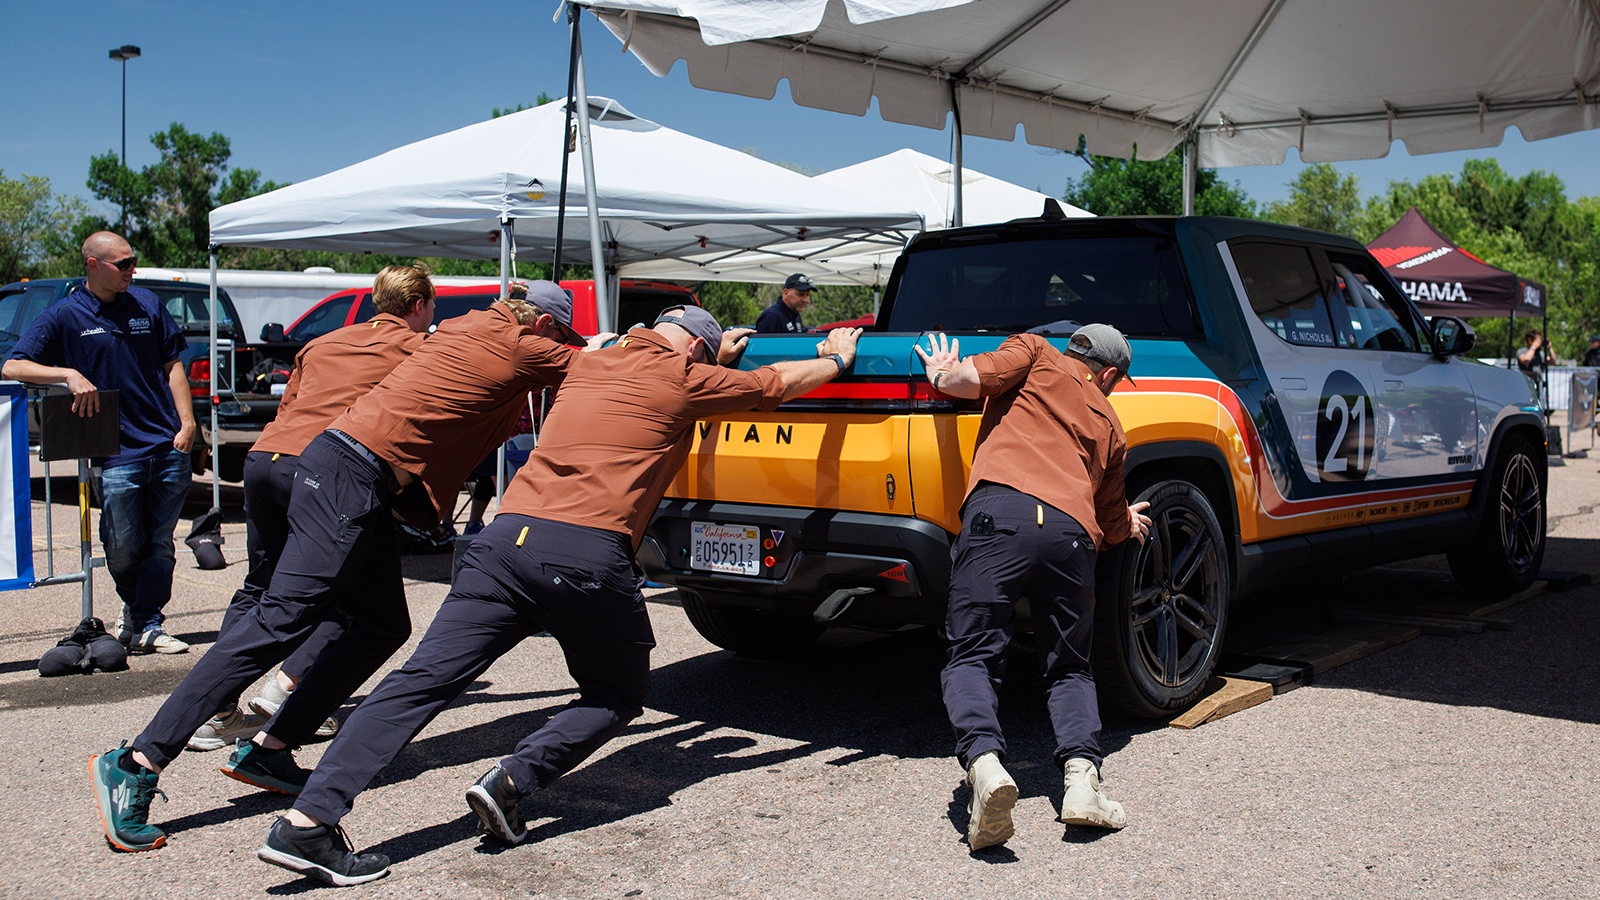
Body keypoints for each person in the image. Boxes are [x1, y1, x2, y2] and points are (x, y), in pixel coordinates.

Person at [253, 309, 863, 887]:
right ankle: (513, 779)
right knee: (617, 692)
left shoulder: (589, 362)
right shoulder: (684, 378)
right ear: (698, 350)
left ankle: (306, 823)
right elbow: (773, 383)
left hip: (504, 540)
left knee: (420, 682)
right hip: (584, 554)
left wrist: (705, 355)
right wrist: (835, 359)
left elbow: (652, 364)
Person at [89, 281, 598, 854]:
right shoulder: (514, 342)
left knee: (381, 624)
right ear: (544, 327)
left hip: (339, 472)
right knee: (280, 619)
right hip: (346, 477)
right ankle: (137, 761)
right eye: (558, 336)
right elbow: (598, 367)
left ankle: (271, 749)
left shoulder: (459, 327)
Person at [914, 323, 1152, 852]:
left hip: (999, 517)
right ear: (1109, 375)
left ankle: (985, 765)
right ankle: (1082, 783)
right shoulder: (1111, 423)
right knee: (1070, 665)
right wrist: (1127, 523)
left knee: (973, 654)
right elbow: (1112, 517)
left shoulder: (1035, 350)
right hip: (1071, 535)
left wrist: (942, 373)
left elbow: (970, 379)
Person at [186, 264, 435, 754]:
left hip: (266, 458)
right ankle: (285, 692)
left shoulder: (322, 341)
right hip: (326, 468)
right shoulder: (419, 348)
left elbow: (290, 406)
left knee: (260, 587)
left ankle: (216, 709)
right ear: (418, 305)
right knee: (349, 595)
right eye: (430, 307)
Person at [3, 231, 196, 654]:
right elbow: (13, 366)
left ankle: (146, 622)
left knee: (160, 543)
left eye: (133, 261)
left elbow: (172, 366)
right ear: (93, 265)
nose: (132, 270)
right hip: (115, 454)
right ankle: (139, 613)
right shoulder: (65, 314)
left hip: (167, 445)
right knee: (122, 546)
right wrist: (67, 374)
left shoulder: (147, 304)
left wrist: (187, 425)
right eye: (123, 264)